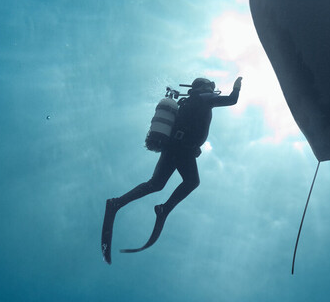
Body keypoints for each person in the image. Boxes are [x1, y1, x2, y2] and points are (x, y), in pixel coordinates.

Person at [101, 76, 242, 262]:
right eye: (211, 86)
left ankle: (117, 203)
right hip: (181, 149)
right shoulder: (204, 97)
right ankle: (163, 209)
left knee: (155, 184)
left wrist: (195, 145)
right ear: (204, 87)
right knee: (192, 181)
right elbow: (232, 100)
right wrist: (237, 87)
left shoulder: (188, 102)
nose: (213, 89)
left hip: (173, 148)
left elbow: (188, 125)